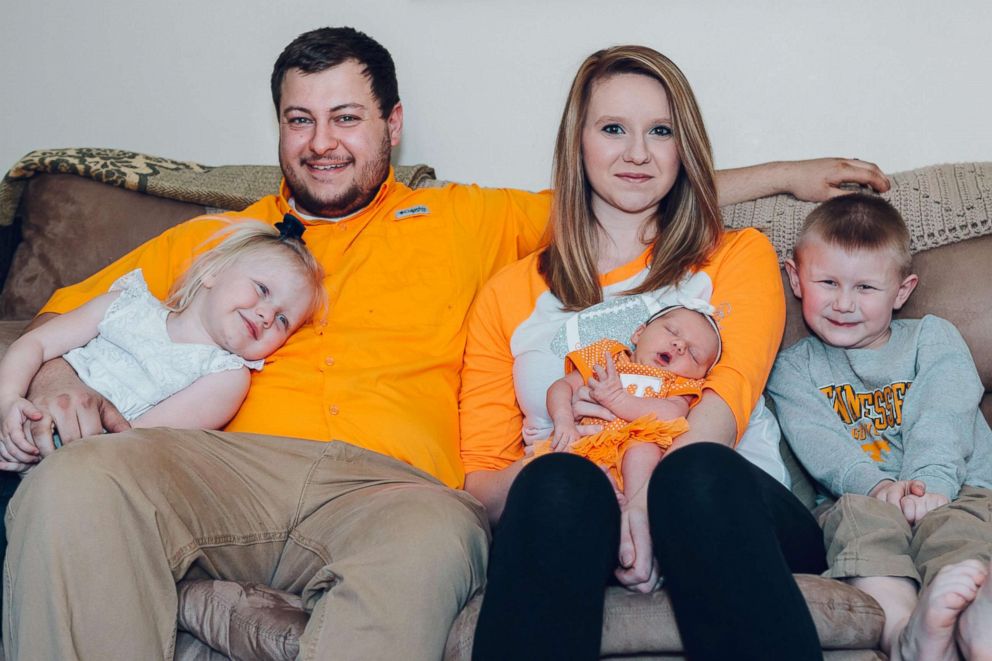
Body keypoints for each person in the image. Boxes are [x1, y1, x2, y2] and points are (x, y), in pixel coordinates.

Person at [3, 26, 890, 660]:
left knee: (438, 537)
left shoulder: (467, 218)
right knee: (77, 481)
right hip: (228, 467)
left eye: (346, 117)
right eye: (299, 119)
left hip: (396, 489)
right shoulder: (214, 240)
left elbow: (634, 186)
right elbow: (67, 321)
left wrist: (783, 175)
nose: (321, 143)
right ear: (276, 127)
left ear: (393, 123)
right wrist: (50, 386)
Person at [460, 45, 830, 661]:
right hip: (573, 516)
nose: (637, 153)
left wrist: (642, 499)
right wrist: (599, 481)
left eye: (660, 131)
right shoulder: (509, 293)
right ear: (577, 144)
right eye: (613, 129)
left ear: (684, 147)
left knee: (694, 473)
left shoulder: (736, 256)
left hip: (733, 508)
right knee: (556, 480)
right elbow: (481, 480)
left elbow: (724, 404)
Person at [767, 193, 992, 661]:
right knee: (862, 529)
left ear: (902, 291)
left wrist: (930, 482)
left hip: (956, 486)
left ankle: (973, 625)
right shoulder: (793, 367)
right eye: (827, 282)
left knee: (958, 534)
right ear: (795, 278)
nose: (844, 303)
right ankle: (908, 635)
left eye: (866, 288)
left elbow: (944, 411)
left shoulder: (932, 336)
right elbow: (820, 443)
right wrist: (877, 485)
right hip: (858, 496)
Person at [0, 219, 324, 470]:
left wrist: (41, 457)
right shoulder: (124, 304)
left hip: (74, 466)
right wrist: (8, 403)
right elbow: (36, 345)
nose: (267, 314)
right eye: (262, 289)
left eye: (284, 320)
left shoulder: (225, 377)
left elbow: (132, 444)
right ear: (212, 272)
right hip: (19, 420)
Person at [538, 302, 721, 499]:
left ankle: (634, 505)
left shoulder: (675, 383)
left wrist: (619, 400)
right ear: (639, 333)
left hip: (634, 451)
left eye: (694, 354)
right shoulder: (609, 357)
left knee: (644, 450)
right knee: (549, 466)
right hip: (586, 444)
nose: (680, 345)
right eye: (671, 331)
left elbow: (672, 414)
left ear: (699, 376)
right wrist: (563, 420)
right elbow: (561, 387)